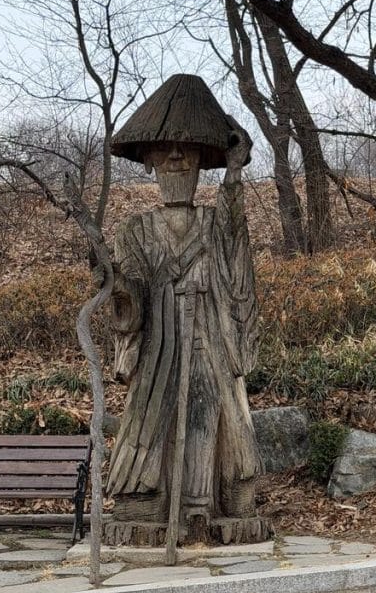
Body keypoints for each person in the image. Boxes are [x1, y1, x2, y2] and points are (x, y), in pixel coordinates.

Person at [106, 76, 267, 544]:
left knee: (215, 410)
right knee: (150, 416)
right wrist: (116, 286)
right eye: (167, 152)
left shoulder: (216, 221)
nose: (176, 160)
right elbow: (128, 299)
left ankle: (220, 496)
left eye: (188, 151)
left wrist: (235, 174)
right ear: (151, 162)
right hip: (160, 347)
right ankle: (145, 497)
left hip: (209, 338)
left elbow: (236, 253)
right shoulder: (136, 229)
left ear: (201, 163)